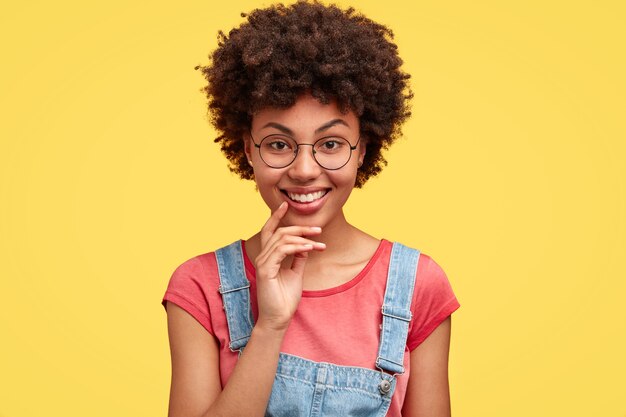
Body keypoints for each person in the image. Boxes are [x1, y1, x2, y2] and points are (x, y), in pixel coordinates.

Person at [162, 2, 460, 416]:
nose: (304, 170)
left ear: (363, 151)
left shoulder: (418, 287)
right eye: (279, 144)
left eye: (331, 144)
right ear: (249, 149)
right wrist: (270, 327)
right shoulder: (199, 288)